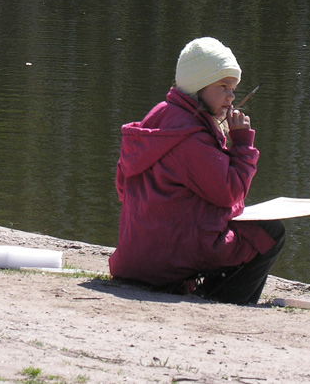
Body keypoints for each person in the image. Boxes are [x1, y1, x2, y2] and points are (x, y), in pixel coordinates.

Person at [109, 37, 286, 305]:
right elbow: (229, 192)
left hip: (137, 256)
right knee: (270, 233)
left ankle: (200, 289)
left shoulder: (160, 117)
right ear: (198, 86)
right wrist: (241, 143)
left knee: (231, 227)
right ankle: (221, 301)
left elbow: (123, 186)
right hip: (170, 259)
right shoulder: (191, 136)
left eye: (234, 88)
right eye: (223, 86)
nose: (231, 96)